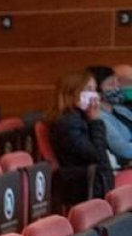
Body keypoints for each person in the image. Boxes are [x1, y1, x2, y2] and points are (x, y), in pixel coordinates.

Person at [48, 71, 115, 205]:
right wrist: (96, 121)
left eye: (95, 89)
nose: (94, 95)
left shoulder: (80, 118)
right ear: (72, 93)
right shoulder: (67, 124)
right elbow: (98, 156)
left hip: (94, 180)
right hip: (83, 186)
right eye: (88, 89)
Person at [97, 64, 132, 167]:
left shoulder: (120, 109)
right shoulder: (100, 116)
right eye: (112, 84)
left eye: (118, 82)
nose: (118, 87)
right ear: (98, 92)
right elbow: (121, 148)